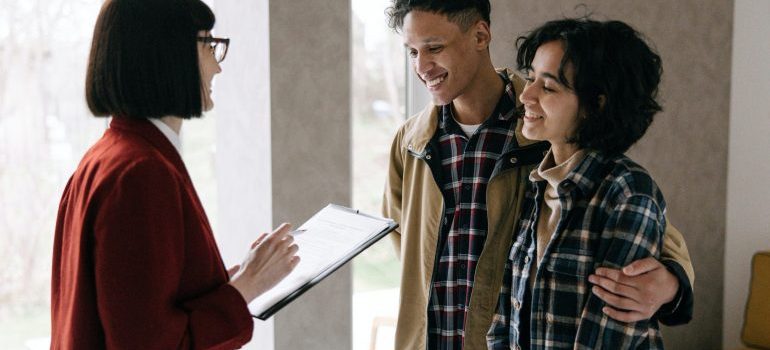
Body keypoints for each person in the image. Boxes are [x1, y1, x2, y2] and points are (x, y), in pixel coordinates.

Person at [381, 1, 694, 349]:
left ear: (480, 35)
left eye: (434, 48)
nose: (421, 67)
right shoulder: (410, 143)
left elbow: (654, 239)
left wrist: (672, 282)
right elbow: (407, 248)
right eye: (412, 52)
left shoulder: (546, 129)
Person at [50, 0, 299, 348]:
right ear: (168, 53)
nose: (217, 66)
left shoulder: (108, 158)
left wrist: (241, 277)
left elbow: (145, 310)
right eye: (208, 44)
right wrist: (247, 286)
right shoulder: (140, 174)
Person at [487, 18, 677, 349]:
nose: (526, 94)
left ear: (595, 104)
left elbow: (607, 338)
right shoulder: (537, 185)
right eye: (531, 78)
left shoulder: (629, 192)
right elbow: (505, 318)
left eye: (548, 87)